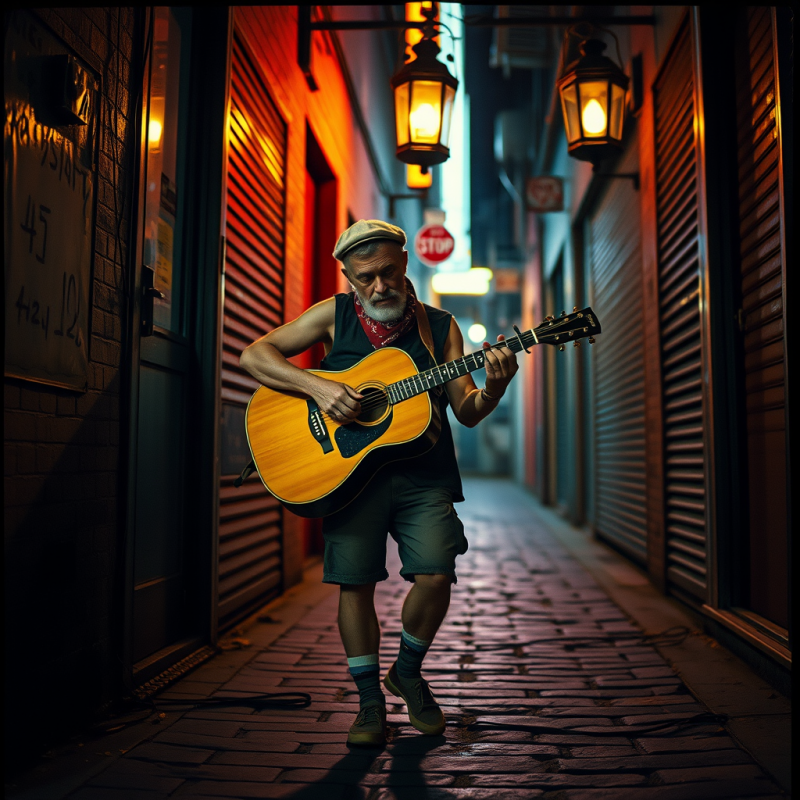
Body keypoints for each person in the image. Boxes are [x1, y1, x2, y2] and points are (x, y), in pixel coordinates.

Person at [240, 219, 518, 747]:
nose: (378, 287)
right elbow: (254, 355)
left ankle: (407, 672)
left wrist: (495, 389)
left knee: (436, 572)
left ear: (406, 263)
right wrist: (319, 388)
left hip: (423, 475)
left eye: (387, 272)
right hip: (348, 475)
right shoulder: (334, 314)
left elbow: (467, 409)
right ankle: (369, 702)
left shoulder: (440, 326)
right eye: (364, 278)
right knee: (355, 582)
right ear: (348, 276)